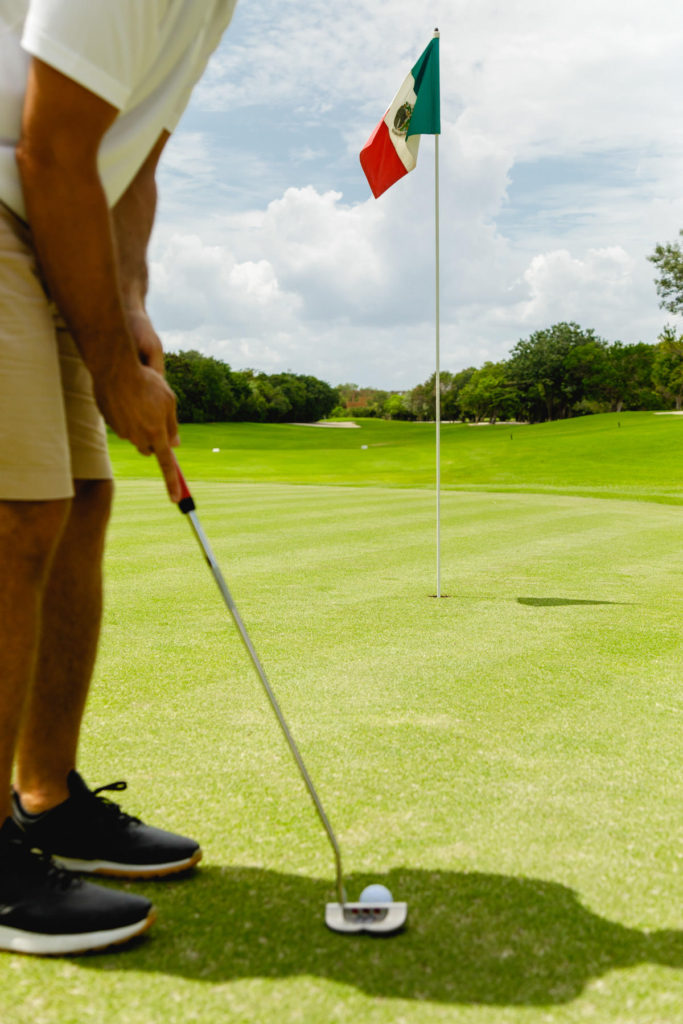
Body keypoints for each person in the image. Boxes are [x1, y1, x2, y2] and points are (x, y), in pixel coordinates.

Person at [0, 0, 239, 955]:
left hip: (52, 210)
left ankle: (47, 798)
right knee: (19, 514)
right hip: (18, 184)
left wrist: (130, 303)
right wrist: (109, 372)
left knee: (83, 503)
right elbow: (52, 147)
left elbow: (129, 160)